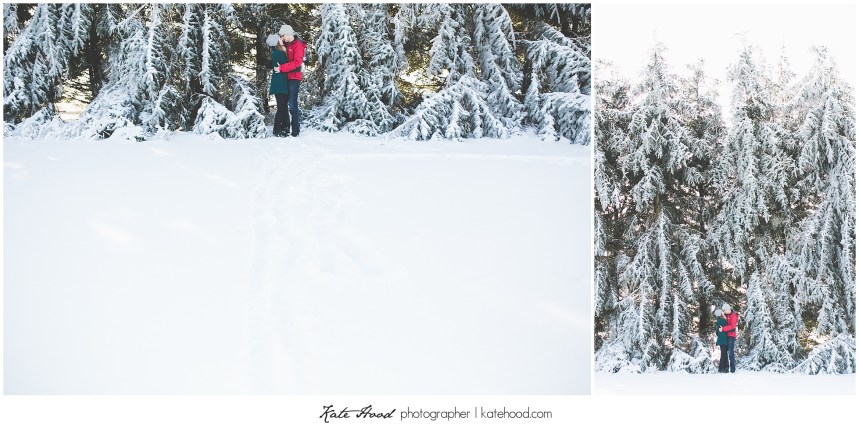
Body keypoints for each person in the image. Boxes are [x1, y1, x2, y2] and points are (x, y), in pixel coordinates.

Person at [275, 24, 306, 137]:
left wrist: (281, 68)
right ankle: (285, 127)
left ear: (288, 34)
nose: (282, 38)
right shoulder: (286, 44)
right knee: (283, 104)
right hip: (285, 77)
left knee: (292, 104)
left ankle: (295, 130)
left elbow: (297, 63)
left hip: (294, 78)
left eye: (283, 35)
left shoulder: (298, 45)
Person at [267, 34, 289, 137]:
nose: (281, 39)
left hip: (280, 83)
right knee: (282, 107)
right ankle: (277, 129)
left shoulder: (277, 52)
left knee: (283, 106)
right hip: (280, 83)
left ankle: (284, 128)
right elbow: (289, 64)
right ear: (276, 43)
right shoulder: (279, 53)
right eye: (279, 39)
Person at [719, 303, 739, 373]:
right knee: (726, 352)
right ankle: (726, 368)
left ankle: (733, 369)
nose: (723, 312)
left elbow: (732, 326)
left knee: (730, 352)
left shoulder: (733, 315)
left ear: (728, 309)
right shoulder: (727, 315)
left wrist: (723, 329)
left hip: (731, 336)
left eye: (724, 310)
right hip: (726, 336)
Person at [714, 308, 729, 373]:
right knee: (724, 354)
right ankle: (722, 368)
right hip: (724, 339)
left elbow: (717, 332)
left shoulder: (718, 321)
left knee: (724, 354)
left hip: (721, 339)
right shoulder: (724, 321)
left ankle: (725, 368)